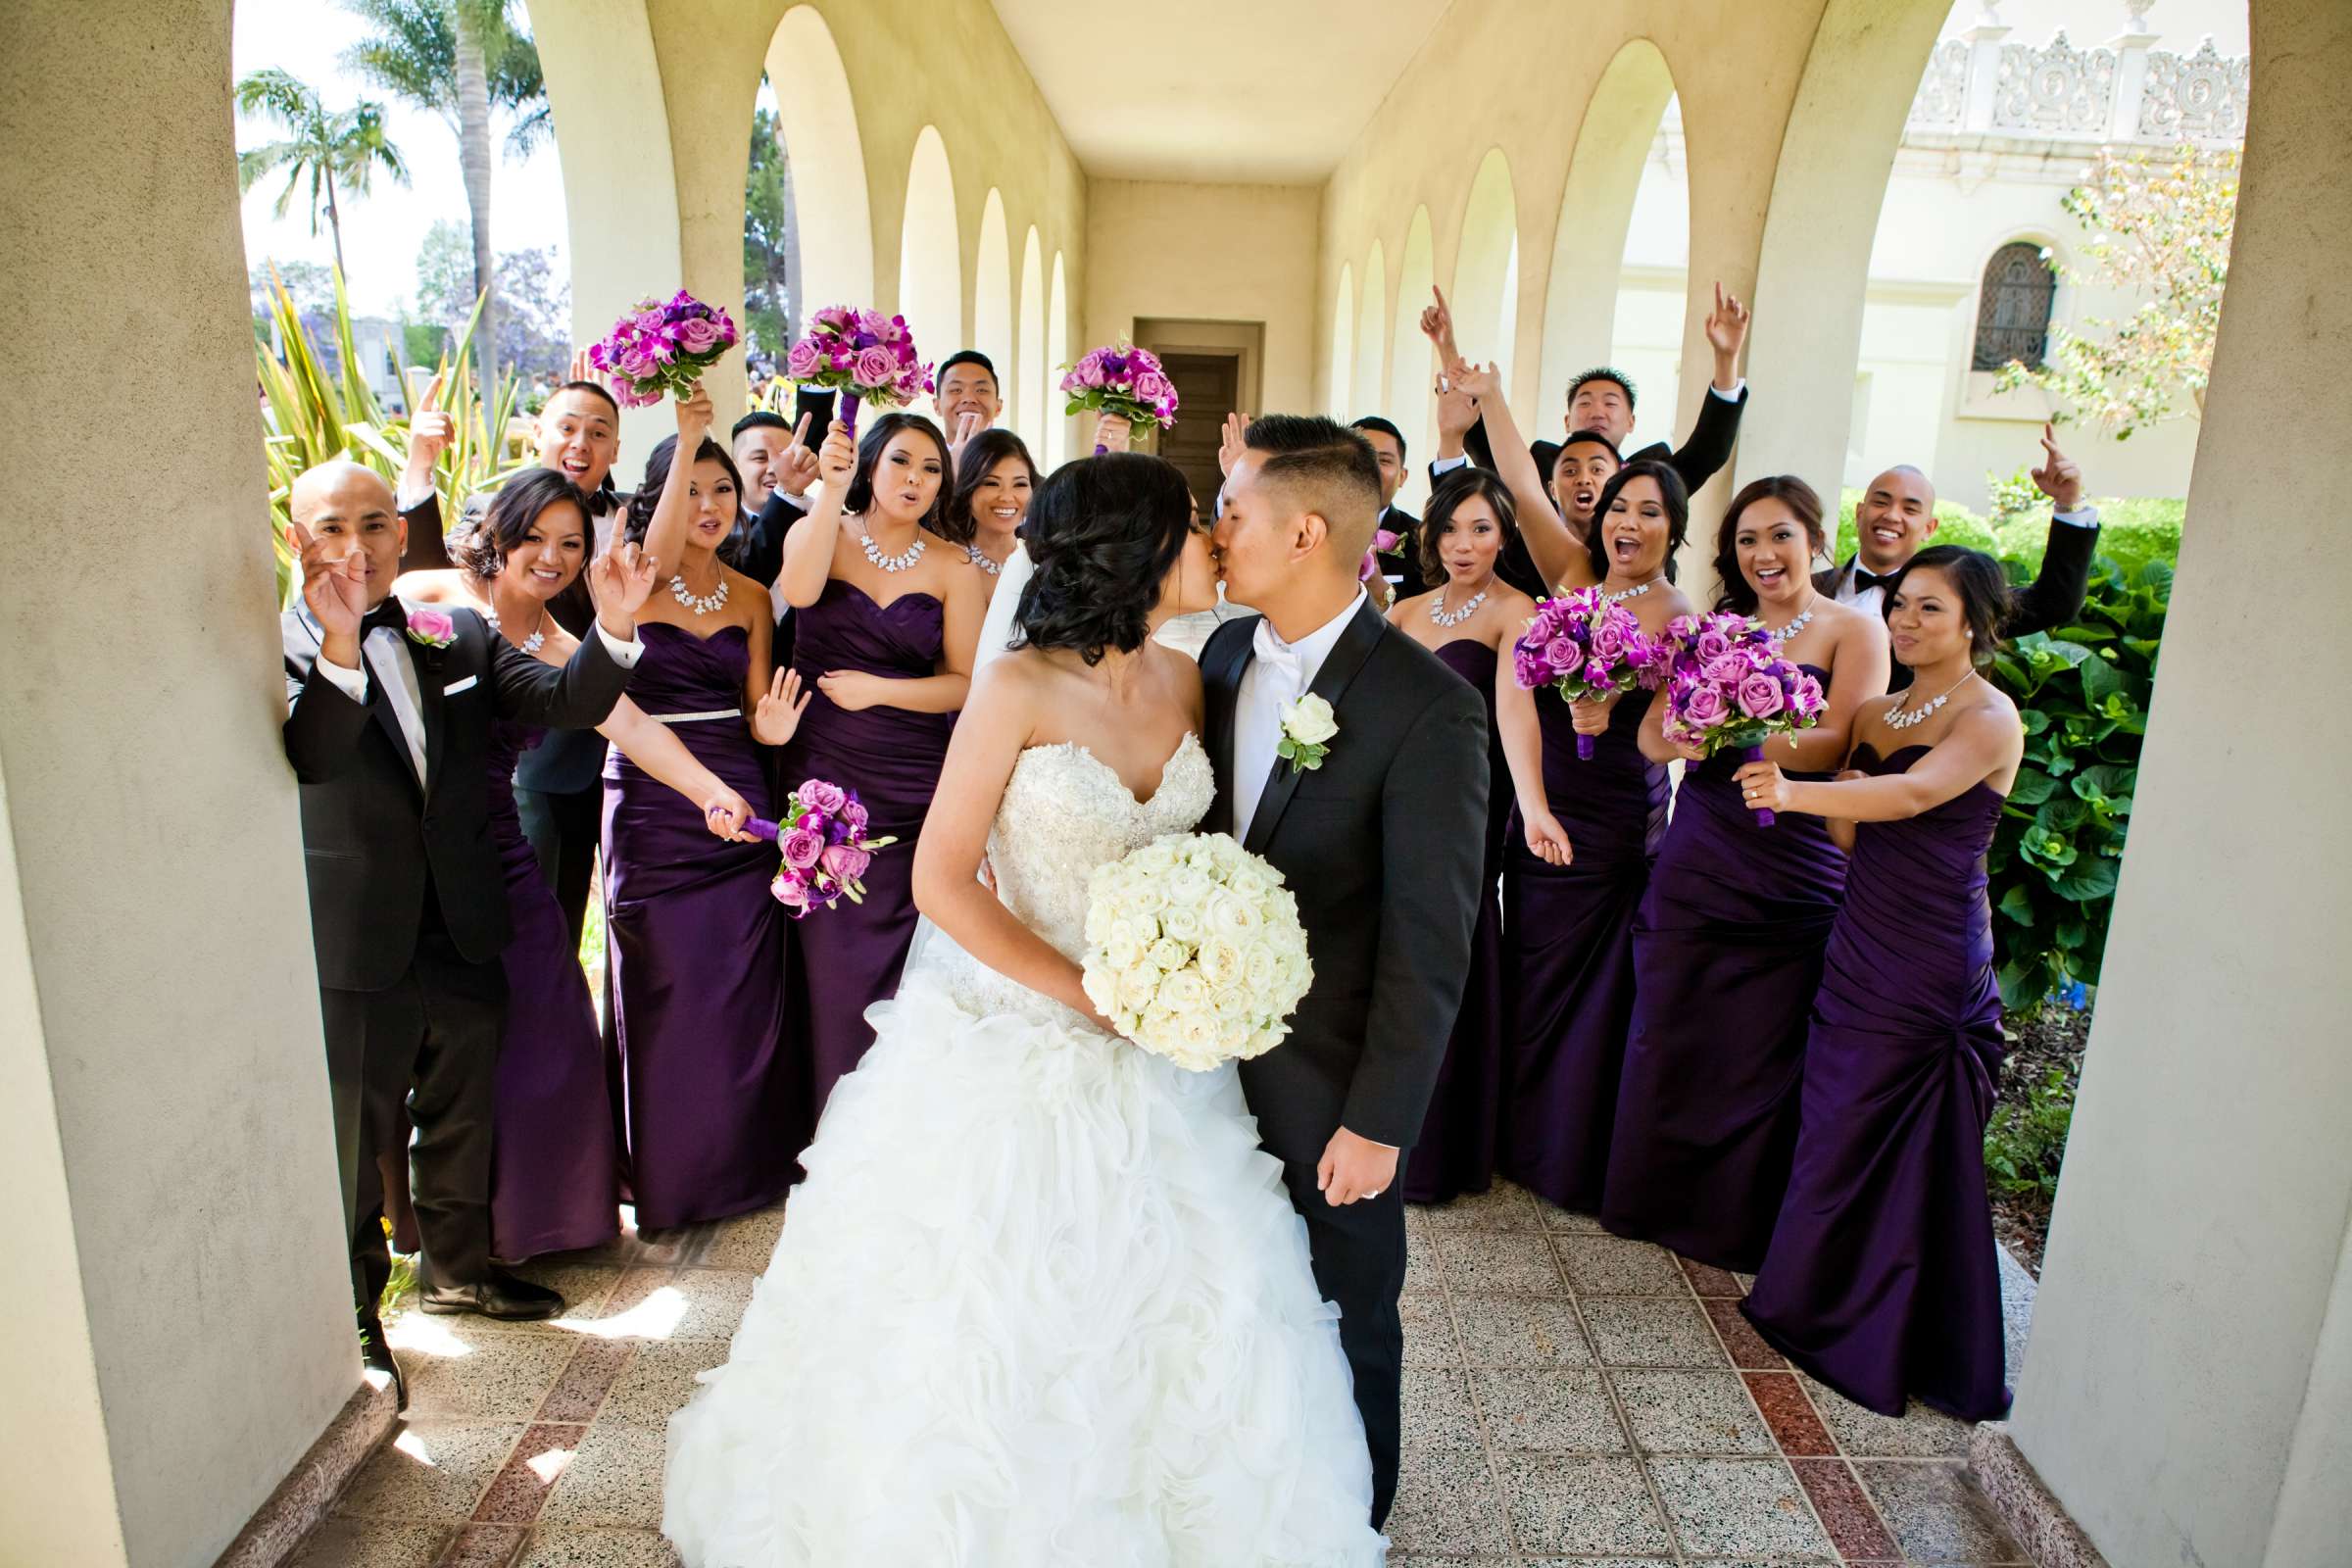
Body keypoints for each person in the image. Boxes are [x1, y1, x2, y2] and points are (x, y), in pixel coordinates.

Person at [663, 452, 1383, 1563]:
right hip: (1024, 1033)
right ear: (1129, 551)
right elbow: (941, 878)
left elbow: (1201, 856)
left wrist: (1198, 965)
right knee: (994, 1319)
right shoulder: (1015, 687)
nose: (1209, 544)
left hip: (1163, 1055)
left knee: (1184, 1313)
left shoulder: (1192, 679)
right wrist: (1088, 992)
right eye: (1191, 525)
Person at [279, 461, 652, 1401]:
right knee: (355, 1129)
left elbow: (565, 701)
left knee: (461, 1103)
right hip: (357, 929)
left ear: (402, 538)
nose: (355, 545)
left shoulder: (456, 633)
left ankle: (456, 1273)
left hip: (463, 912)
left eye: (374, 525)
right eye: (332, 527)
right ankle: (358, 1316)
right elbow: (312, 755)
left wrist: (611, 629)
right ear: (300, 540)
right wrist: (332, 646)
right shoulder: (280, 643)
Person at [1202, 415, 1490, 1526]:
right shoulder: (1223, 654)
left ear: (1306, 531)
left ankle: (1357, 1517)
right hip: (1200, 1056)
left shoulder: (1430, 708)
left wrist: (1381, 1120)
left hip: (1332, 1075)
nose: (1217, 529)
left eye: (1235, 510)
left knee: (1347, 1301)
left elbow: (1434, 934)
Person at [391, 468, 777, 1261]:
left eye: (570, 543)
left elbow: (634, 728)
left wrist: (711, 791)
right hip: (407, 846)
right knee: (435, 1047)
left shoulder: (564, 644)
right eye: (533, 537)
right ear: (495, 532)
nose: (551, 556)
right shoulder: (427, 595)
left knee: (555, 1022)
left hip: (498, 846)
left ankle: (539, 1226)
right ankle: (436, 1236)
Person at [1734, 546, 2023, 1422]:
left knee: (1898, 1135)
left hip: (1933, 955)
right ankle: (1812, 1301)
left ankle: (1889, 1333)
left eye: (1930, 609)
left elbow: (1912, 798)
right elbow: (1857, 841)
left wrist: (1795, 791)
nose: (1904, 621)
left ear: (1974, 622)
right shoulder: (1873, 711)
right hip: (1858, 938)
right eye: (1899, 605)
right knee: (1837, 1118)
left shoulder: (1989, 717)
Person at [1602, 476, 1888, 1269]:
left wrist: (1736, 723)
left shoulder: (1853, 632)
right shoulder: (1712, 628)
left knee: (1767, 1041)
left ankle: (1739, 1222)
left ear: (1815, 539)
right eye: (1748, 540)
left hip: (1793, 857)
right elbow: (1655, 740)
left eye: (1781, 536)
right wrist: (1703, 727)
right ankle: (1651, 1201)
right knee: (1672, 1024)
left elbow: (1839, 742)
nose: (1764, 554)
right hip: (1704, 851)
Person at [608, 388, 810, 1229]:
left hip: (740, 796)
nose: (710, 505)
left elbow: (759, 702)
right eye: (690, 488)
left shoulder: (753, 596)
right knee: (667, 986)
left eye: (723, 490)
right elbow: (645, 572)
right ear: (659, 501)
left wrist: (769, 726)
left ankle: (745, 1167)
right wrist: (690, 435)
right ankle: (672, 1175)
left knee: (739, 986)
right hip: (655, 804)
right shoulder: (630, 587)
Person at [772, 412, 987, 1159]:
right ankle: (827, 1137)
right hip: (824, 772)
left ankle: (897, 1143)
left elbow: (963, 685)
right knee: (828, 960)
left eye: (931, 470)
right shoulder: (819, 533)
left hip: (913, 778)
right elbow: (798, 593)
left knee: (906, 960)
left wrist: (880, 691)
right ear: (869, 465)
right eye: (900, 462)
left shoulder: (955, 566)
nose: (915, 480)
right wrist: (829, 493)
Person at [1498, 459, 1692, 1213]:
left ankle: (1569, 1151)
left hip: (1615, 816)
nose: (1629, 524)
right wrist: (1480, 392)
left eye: (1649, 512)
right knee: (1532, 970)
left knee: (1598, 990)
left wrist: (1610, 711)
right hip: (1544, 802)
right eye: (1620, 507)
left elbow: (1661, 735)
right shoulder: (1574, 580)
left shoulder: (1679, 615)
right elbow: (1520, 485)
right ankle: (1515, 1137)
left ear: (1671, 528)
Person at [396, 368, 630, 954]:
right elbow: (431, 593)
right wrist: (420, 465)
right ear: (538, 435)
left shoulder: (630, 522)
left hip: (584, 743)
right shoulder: (488, 512)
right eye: (567, 427)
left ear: (615, 449)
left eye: (597, 431)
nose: (581, 442)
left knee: (554, 925)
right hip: (493, 757)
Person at [1382, 468, 1559, 1204]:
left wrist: (1535, 806)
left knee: (1448, 946)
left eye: (1481, 529)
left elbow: (1517, 714)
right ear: (1430, 533)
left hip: (1467, 806)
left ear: (1505, 536)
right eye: (1451, 527)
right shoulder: (1404, 609)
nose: (1463, 543)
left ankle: (1443, 1147)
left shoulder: (1517, 611)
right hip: (1394, 800)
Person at [1818, 424, 2100, 690]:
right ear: (1858, 513)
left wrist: (2068, 503)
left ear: (1929, 528)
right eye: (1881, 502)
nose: (1892, 516)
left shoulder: (1958, 600)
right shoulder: (1809, 590)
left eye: (1910, 509)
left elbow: (2055, 603)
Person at [1420, 280, 1752, 502]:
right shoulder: (1539, 464)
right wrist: (1448, 349)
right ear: (1567, 421)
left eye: (1611, 404)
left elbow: (1708, 451)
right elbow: (1482, 441)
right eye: (1586, 403)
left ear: (1632, 422)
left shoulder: (1654, 474)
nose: (1597, 412)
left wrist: (1727, 360)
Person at [936, 425, 1035, 585]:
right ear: (967, 489)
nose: (1007, 497)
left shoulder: (1040, 562)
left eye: (1020, 484)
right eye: (991, 483)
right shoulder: (943, 561)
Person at [1348, 415, 1429, 600]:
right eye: (1361, 458)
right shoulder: (1309, 530)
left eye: (1383, 461)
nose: (1371, 469)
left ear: (1402, 476)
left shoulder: (1424, 539)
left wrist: (1383, 594)